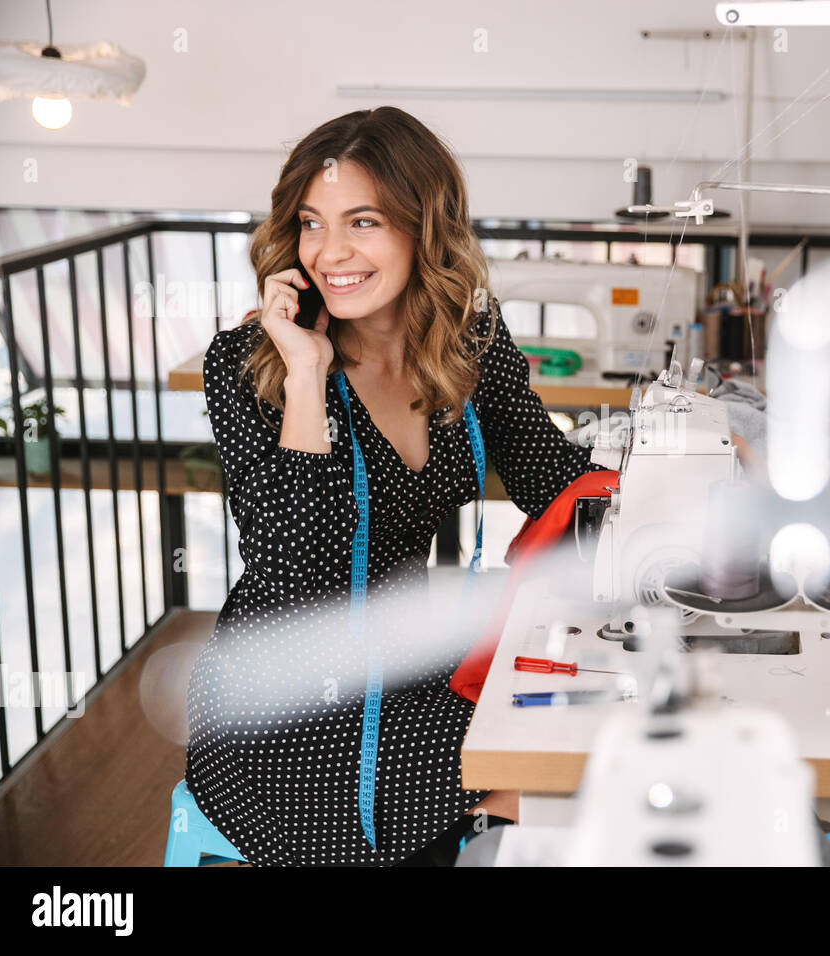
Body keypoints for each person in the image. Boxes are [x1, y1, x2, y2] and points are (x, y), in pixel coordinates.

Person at [185, 107, 602, 865]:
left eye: (364, 222)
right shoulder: (251, 366)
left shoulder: (467, 336)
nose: (329, 253)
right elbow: (297, 580)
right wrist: (308, 375)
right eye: (312, 224)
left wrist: (667, 483)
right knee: (561, 784)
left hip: (410, 665)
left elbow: (550, 474)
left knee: (581, 748)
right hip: (292, 713)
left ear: (424, 227)